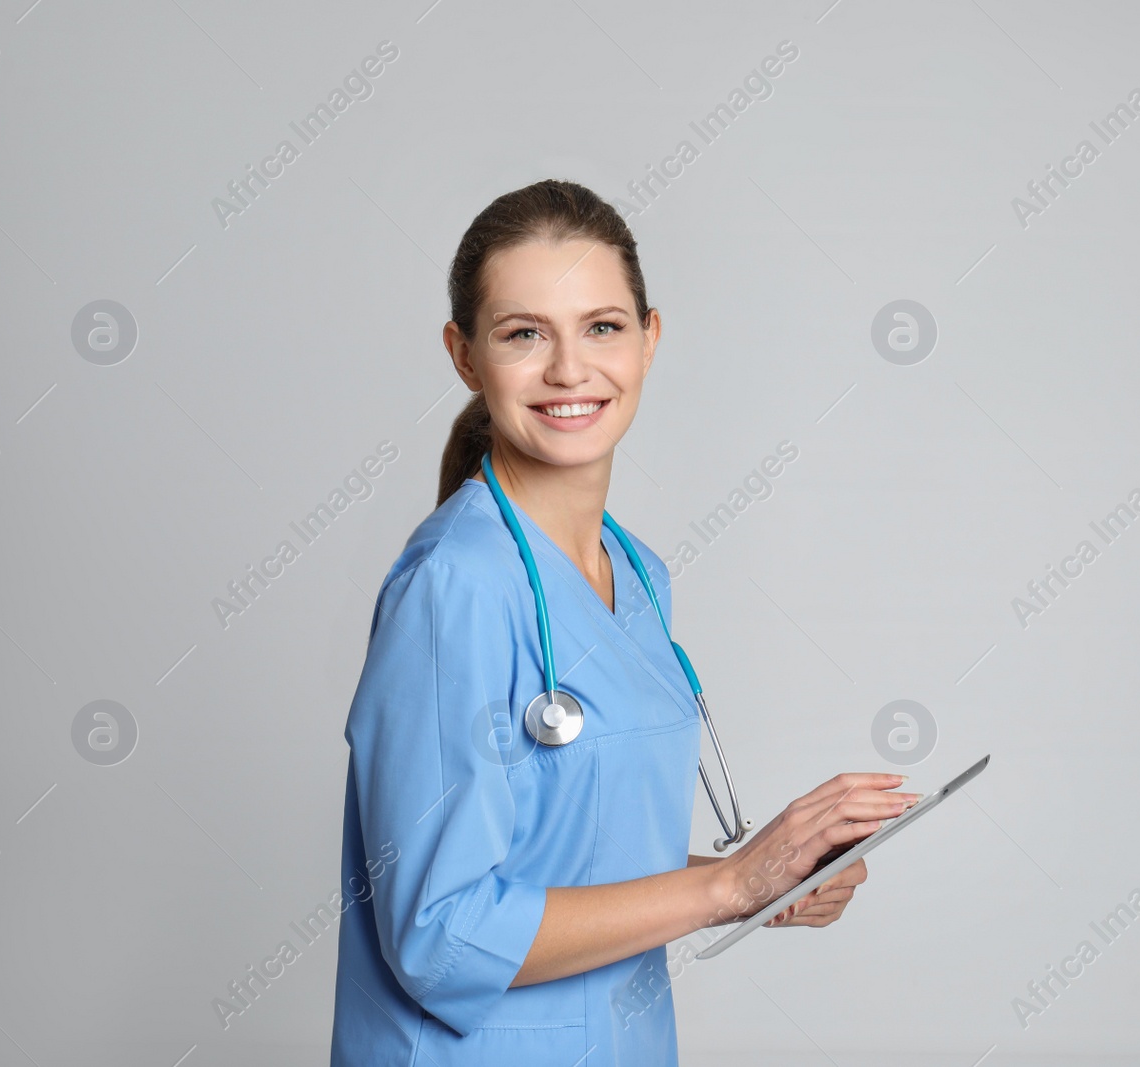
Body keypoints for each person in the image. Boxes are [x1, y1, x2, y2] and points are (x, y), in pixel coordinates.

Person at [329, 179, 919, 1065]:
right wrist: (723, 885)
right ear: (464, 355)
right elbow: (440, 934)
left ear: (649, 339)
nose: (570, 370)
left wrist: (766, 877)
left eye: (602, 326)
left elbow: (571, 872)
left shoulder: (637, 572)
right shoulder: (453, 589)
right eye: (524, 333)